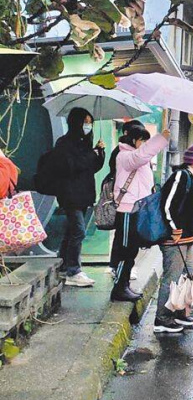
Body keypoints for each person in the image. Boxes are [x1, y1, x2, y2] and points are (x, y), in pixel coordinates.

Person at [154, 143, 193, 333]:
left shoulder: (191, 177)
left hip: (187, 239)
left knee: (190, 275)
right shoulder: (181, 176)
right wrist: (174, 228)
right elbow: (167, 205)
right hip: (175, 239)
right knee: (172, 278)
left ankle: (179, 312)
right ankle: (162, 319)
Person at [109, 126, 170, 302]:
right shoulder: (124, 156)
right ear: (134, 140)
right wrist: (160, 139)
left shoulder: (136, 156)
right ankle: (119, 288)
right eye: (143, 140)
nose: (145, 144)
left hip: (137, 209)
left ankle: (124, 285)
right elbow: (139, 157)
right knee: (126, 251)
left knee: (131, 250)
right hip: (127, 210)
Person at [54, 107, 105, 287]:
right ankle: (73, 271)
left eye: (90, 123)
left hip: (83, 195)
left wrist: (100, 153)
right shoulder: (64, 143)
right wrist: (91, 154)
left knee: (71, 231)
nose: (88, 126)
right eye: (85, 122)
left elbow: (91, 168)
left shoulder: (85, 144)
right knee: (79, 231)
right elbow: (70, 166)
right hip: (70, 195)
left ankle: (62, 265)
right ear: (76, 122)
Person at [107, 119, 146, 280]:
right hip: (125, 200)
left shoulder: (137, 153)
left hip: (136, 201)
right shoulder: (122, 153)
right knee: (123, 238)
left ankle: (123, 269)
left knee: (129, 238)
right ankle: (117, 269)